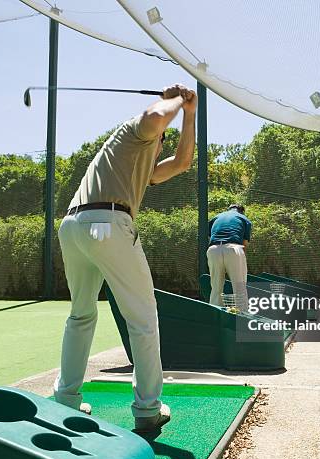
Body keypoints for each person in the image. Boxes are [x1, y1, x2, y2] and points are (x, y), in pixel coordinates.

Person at [54, 84, 197, 433]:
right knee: (144, 319)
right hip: (107, 224)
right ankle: (148, 409)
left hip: (73, 227)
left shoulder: (139, 163)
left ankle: (66, 400)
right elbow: (152, 117)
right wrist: (176, 100)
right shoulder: (135, 132)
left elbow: (182, 163)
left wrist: (190, 114)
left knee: (81, 314)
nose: (161, 140)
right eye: (162, 136)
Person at [207, 204, 252, 311]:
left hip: (213, 250)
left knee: (216, 288)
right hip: (233, 248)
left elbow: (212, 236)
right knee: (239, 288)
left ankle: (214, 317)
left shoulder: (216, 217)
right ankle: (243, 318)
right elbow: (244, 244)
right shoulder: (244, 218)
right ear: (241, 211)